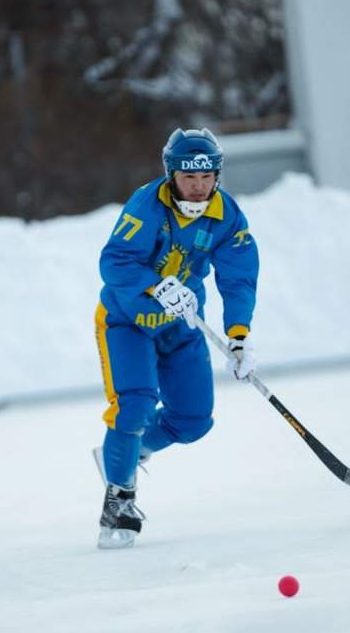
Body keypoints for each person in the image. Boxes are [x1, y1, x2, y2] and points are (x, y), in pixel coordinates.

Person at [92, 127, 259, 549]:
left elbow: (238, 278)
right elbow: (114, 262)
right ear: (172, 174)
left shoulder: (227, 215)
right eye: (189, 177)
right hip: (127, 322)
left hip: (181, 326)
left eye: (206, 177)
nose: (198, 186)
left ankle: (127, 450)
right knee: (135, 403)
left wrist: (239, 336)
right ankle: (119, 499)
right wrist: (155, 284)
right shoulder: (148, 205)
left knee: (193, 420)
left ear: (217, 175)